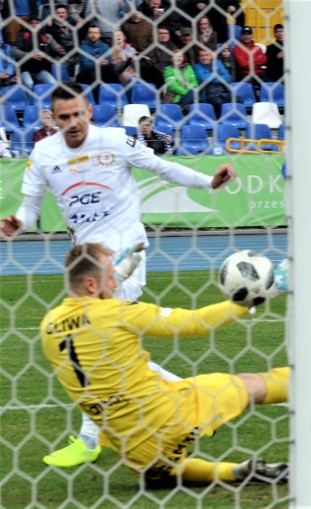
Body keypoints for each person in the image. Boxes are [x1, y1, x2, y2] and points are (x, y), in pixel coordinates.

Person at [0, 81, 237, 468]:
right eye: (64, 117)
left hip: (127, 249)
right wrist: (17, 224)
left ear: (89, 110)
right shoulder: (43, 153)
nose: (73, 122)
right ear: (53, 119)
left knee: (99, 338)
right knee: (109, 345)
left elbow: (163, 168)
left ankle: (89, 439)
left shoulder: (115, 140)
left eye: (78, 114)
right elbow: (29, 207)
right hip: (85, 258)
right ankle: (197, 401)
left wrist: (207, 181)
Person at [40, 242, 291, 487]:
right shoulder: (119, 312)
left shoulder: (48, 326)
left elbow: (89, 313)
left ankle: (233, 472)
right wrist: (258, 296)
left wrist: (113, 274)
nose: (116, 283)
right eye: (110, 278)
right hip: (169, 414)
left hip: (131, 444)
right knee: (248, 385)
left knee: (164, 471)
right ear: (91, 284)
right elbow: (196, 322)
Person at [12, 16, 61, 91]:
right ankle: (30, 102)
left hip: (40, 70)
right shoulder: (22, 36)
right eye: (32, 23)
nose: (34, 25)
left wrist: (58, 51)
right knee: (29, 83)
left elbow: (57, 49)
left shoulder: (45, 37)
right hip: (24, 69)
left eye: (37, 23)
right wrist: (30, 55)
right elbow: (14, 51)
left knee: (52, 83)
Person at [194, 48, 232, 116]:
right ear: (199, 58)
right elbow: (204, 79)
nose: (204, 57)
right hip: (209, 94)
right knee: (218, 102)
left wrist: (211, 77)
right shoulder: (197, 66)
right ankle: (220, 122)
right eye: (202, 56)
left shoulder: (218, 63)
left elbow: (227, 77)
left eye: (206, 55)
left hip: (223, 93)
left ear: (211, 56)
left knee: (238, 100)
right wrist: (217, 75)